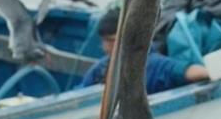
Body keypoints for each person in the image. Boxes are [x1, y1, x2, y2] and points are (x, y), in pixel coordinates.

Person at [80, 7, 208, 93]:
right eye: (103, 41)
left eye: (111, 41)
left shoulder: (155, 65)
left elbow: (185, 71)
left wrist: (214, 72)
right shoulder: (100, 68)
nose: (105, 47)